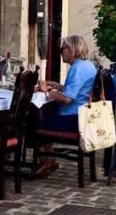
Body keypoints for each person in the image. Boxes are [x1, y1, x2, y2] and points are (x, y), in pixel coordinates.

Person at [35, 35, 97, 177]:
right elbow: (78, 90)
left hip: (74, 117)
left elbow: (67, 99)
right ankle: (47, 159)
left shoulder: (78, 68)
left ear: (71, 50)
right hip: (81, 114)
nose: (61, 52)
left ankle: (48, 159)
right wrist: (57, 86)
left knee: (36, 118)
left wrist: (48, 91)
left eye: (62, 49)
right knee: (45, 113)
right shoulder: (87, 65)